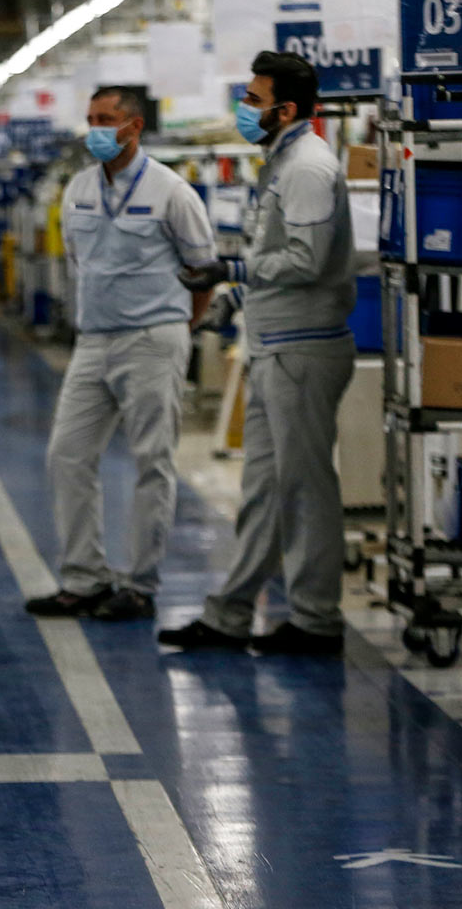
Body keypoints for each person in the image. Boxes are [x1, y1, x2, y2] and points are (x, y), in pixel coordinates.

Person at [159, 51, 357, 656]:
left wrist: (232, 270)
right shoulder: (281, 164)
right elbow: (281, 256)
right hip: (275, 344)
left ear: (285, 109)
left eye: (252, 99)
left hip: (304, 351)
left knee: (305, 490)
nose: (243, 108)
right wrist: (235, 299)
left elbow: (307, 261)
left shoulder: (308, 168)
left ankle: (317, 621)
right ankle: (230, 614)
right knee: (265, 492)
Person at [26, 87, 216, 622]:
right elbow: (79, 260)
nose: (95, 130)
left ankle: (140, 585)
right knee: (67, 455)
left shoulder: (172, 192)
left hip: (152, 340)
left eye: (106, 119)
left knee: (152, 462)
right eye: (90, 119)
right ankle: (84, 579)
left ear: (133, 127)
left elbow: (204, 272)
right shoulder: (79, 188)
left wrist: (177, 327)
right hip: (93, 341)